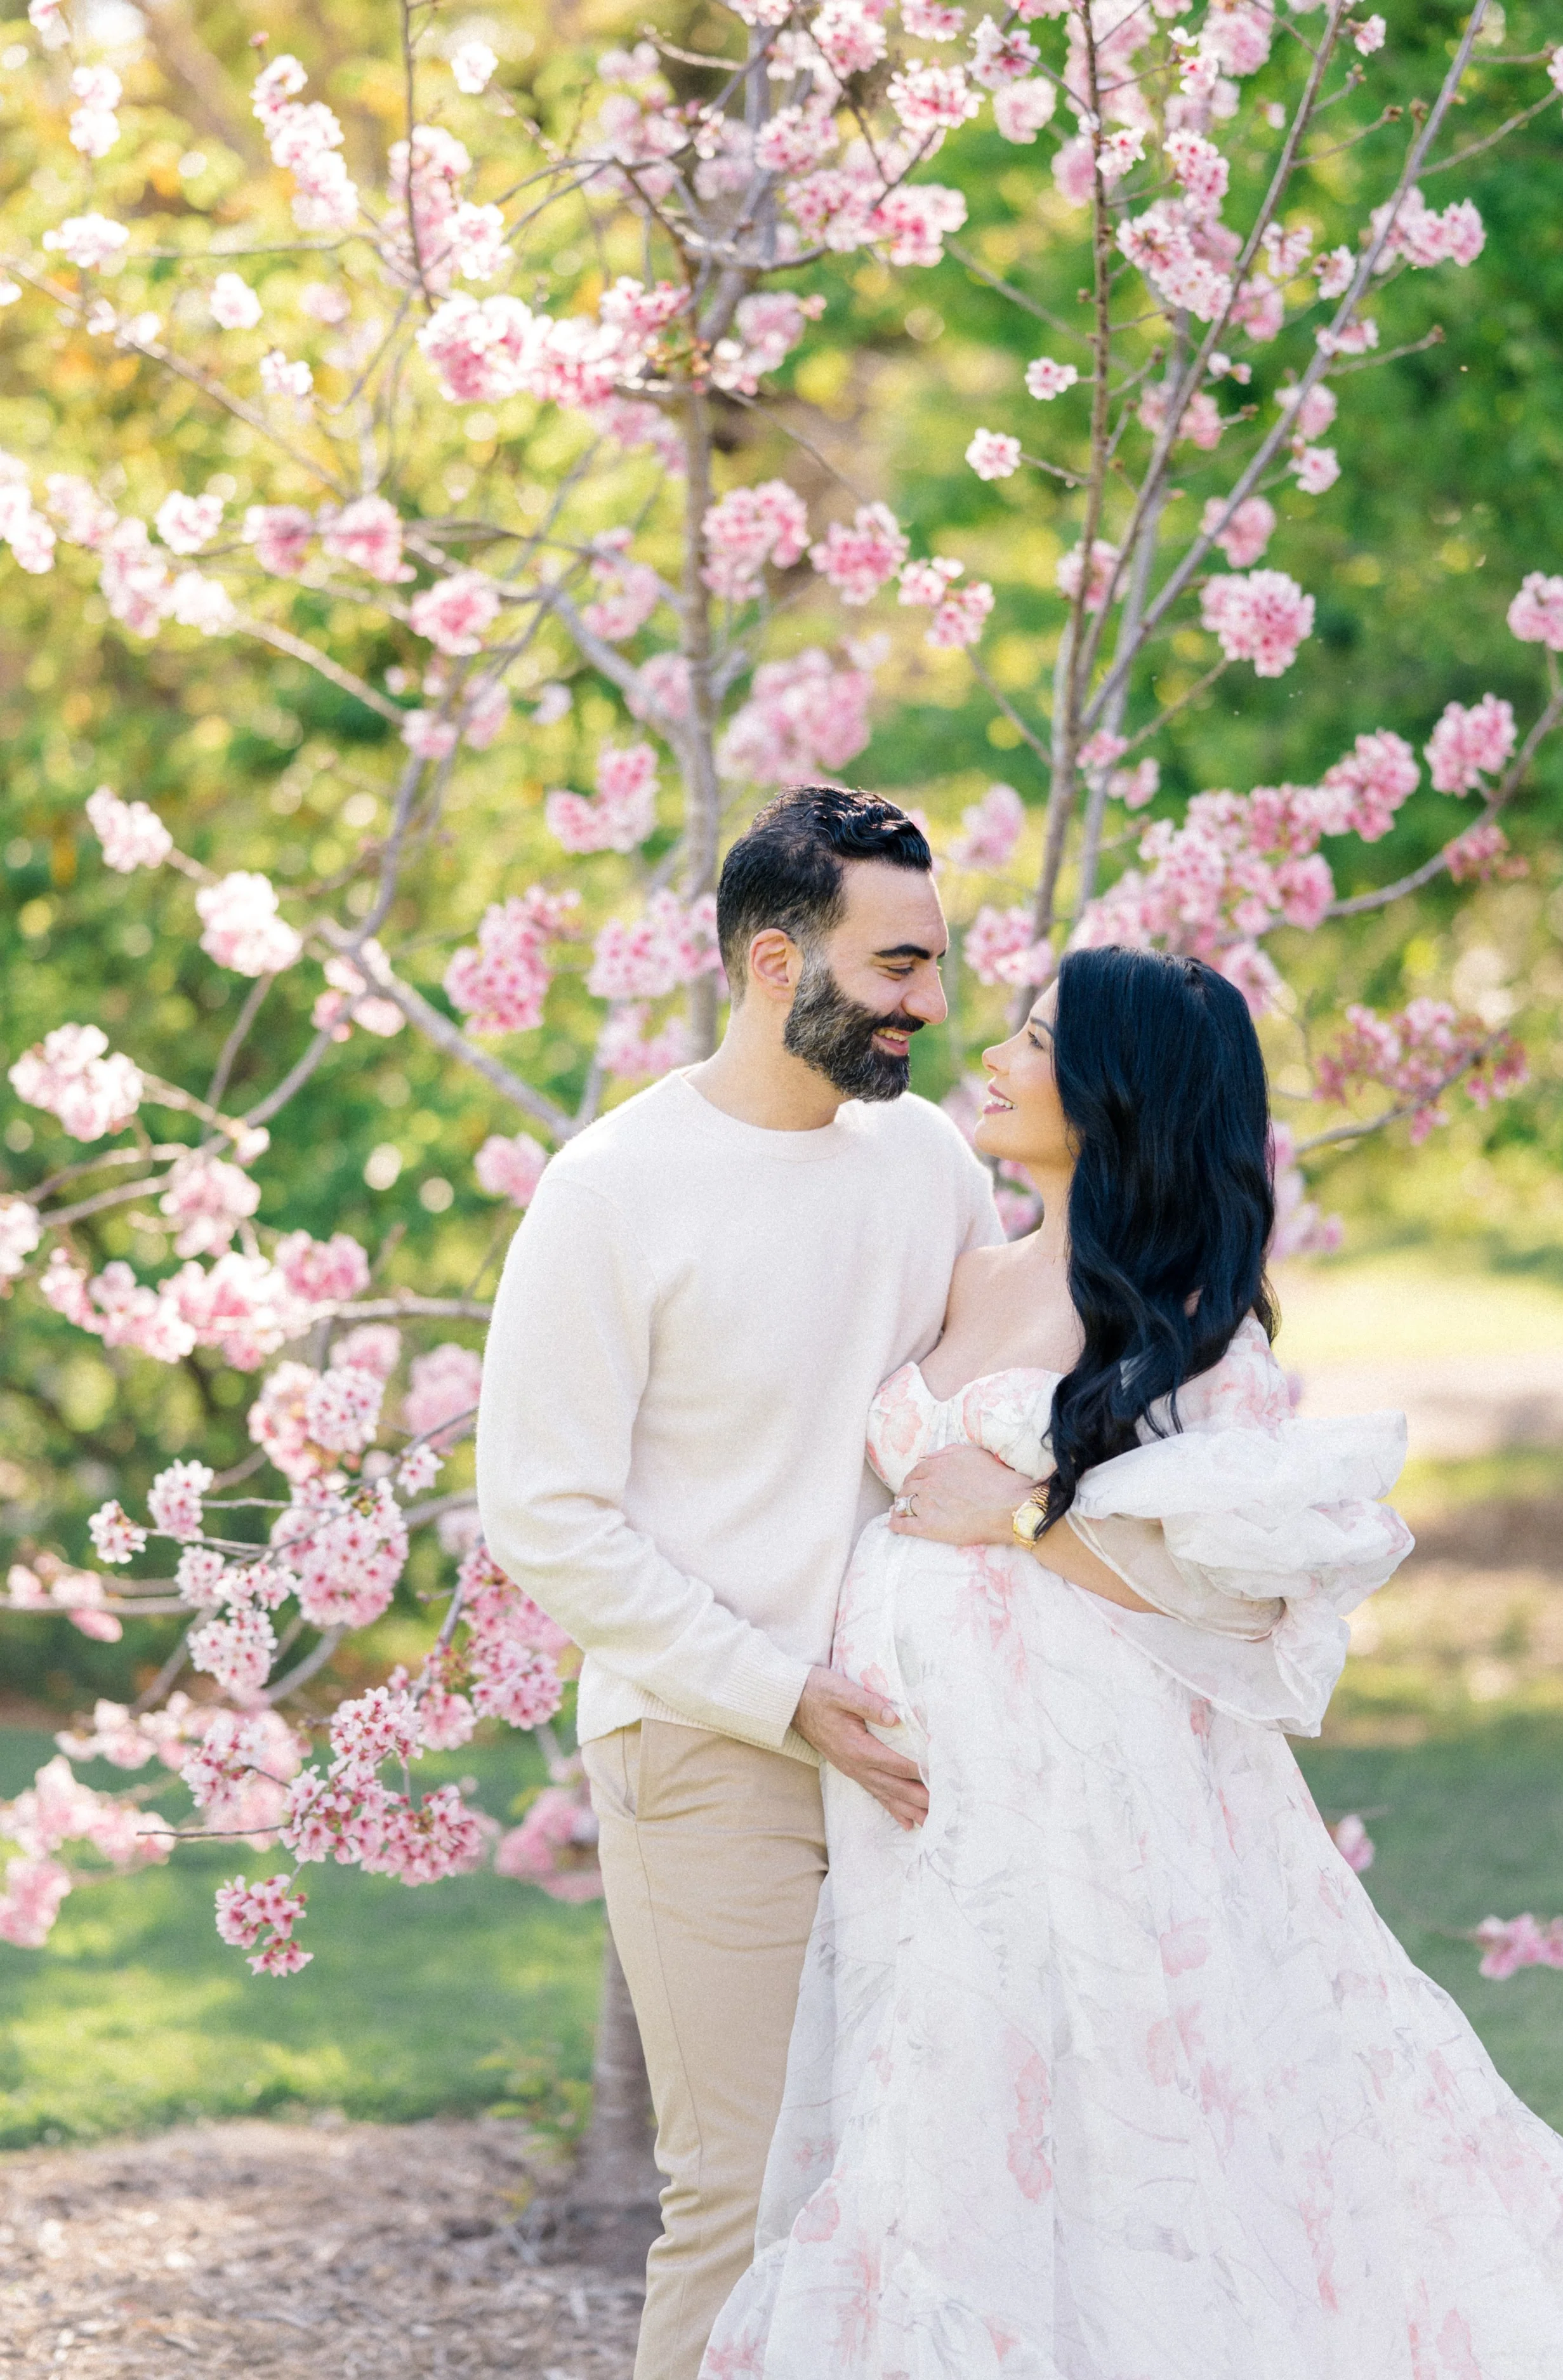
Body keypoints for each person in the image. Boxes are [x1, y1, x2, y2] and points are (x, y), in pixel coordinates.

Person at [706, 946, 1563, 2380]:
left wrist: (1027, 1518)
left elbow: (1250, 1607)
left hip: (1085, 1797)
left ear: (1113, 1095)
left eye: (1036, 1040)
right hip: (921, 1799)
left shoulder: (1186, 1327)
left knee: (1091, 2122)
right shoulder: (961, 1271)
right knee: (934, 2111)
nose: (992, 1052)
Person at [476, 784, 1011, 2380]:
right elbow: (545, 1517)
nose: (930, 1003)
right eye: (898, 964)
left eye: (934, 963)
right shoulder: (611, 1190)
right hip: (713, 1746)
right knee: (743, 2195)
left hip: (922, 1744)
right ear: (776, 964)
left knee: (914, 2188)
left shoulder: (927, 1165)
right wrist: (782, 1697)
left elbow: (988, 1402)